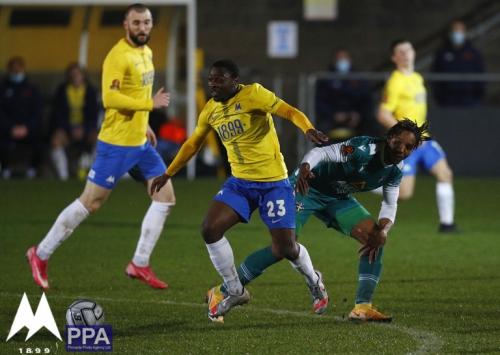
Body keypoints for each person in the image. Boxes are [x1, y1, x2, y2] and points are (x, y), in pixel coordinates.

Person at [150, 58, 329, 322]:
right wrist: (168, 173)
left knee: (287, 248)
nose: (213, 84)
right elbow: (192, 144)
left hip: (273, 183)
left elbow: (289, 111)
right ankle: (234, 290)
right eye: (211, 79)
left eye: (219, 79)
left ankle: (314, 280)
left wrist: (308, 128)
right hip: (240, 183)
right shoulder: (210, 110)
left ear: (235, 81)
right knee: (209, 229)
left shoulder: (254, 94)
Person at [205, 118, 430, 323]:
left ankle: (362, 307)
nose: (402, 149)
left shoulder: (396, 169)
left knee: (375, 239)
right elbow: (322, 153)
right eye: (398, 142)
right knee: (282, 248)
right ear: (389, 136)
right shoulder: (363, 149)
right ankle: (223, 290)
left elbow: (390, 204)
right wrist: (304, 168)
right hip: (306, 187)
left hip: (336, 197)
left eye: (408, 146)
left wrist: (384, 230)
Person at [27, 3, 175, 291]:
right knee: (90, 203)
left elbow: (137, 92)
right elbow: (111, 98)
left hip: (140, 144)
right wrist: (148, 106)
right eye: (136, 23)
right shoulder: (118, 56)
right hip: (116, 145)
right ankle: (40, 253)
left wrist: (144, 123)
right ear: (126, 25)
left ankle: (140, 263)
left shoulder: (147, 52)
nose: (142, 28)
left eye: (146, 22)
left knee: (165, 197)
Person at [377, 39, 459, 233]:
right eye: (400, 51)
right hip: (407, 144)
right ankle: (363, 181)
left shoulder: (417, 78)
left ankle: (447, 224)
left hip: (423, 139)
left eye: (408, 49)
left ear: (414, 52)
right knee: (404, 193)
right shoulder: (395, 81)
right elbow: (383, 114)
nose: (405, 53)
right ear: (394, 58)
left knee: (445, 173)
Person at [49, 62, 100, 180]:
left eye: (77, 74)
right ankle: (63, 176)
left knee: (100, 140)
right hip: (67, 130)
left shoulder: (90, 91)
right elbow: (57, 115)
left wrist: (84, 129)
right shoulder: (62, 91)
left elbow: (94, 115)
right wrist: (70, 129)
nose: (75, 77)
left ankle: (94, 175)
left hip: (86, 130)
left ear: (83, 76)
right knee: (55, 140)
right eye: (72, 74)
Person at [315, 48, 375, 143]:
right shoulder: (326, 78)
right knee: (319, 130)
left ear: (350, 59)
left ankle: (368, 156)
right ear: (334, 61)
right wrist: (334, 115)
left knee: (372, 126)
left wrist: (358, 115)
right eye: (339, 59)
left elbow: (367, 100)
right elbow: (319, 102)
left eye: (344, 58)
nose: (342, 61)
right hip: (332, 117)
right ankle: (323, 156)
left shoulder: (359, 78)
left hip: (355, 117)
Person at [0, 56, 44, 179]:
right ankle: (5, 169)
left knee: (40, 141)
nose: (16, 71)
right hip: (7, 129)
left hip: (27, 129)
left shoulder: (31, 90)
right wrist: (11, 128)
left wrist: (26, 128)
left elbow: (37, 113)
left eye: (18, 68)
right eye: (13, 69)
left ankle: (33, 170)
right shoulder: (3, 89)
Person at [431, 20, 485, 107]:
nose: (457, 33)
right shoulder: (441, 52)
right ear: (449, 33)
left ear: (465, 32)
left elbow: (481, 74)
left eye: (460, 30)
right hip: (447, 100)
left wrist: (478, 97)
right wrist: (439, 97)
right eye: (454, 30)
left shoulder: (474, 52)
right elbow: (435, 74)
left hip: (470, 99)